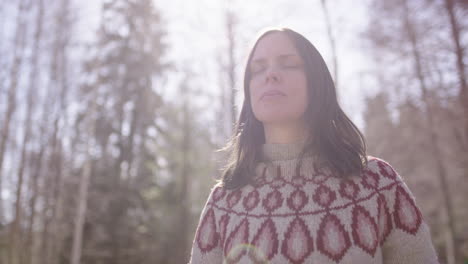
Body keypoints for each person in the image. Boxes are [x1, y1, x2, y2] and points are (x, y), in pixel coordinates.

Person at [188, 27, 439, 264]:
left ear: (316, 83)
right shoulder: (223, 201)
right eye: (257, 69)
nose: (270, 74)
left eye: (288, 64)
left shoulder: (378, 183)